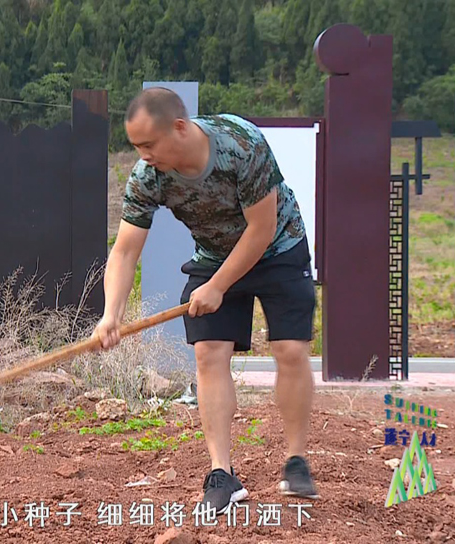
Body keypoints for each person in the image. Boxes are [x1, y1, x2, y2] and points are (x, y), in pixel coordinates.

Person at [91, 87, 319, 515]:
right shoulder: (148, 176)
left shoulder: (241, 144)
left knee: (290, 349)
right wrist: (111, 315)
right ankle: (222, 473)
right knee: (209, 352)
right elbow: (123, 251)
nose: (143, 155)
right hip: (213, 254)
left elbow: (261, 229)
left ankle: (296, 461)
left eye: (149, 144)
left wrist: (217, 286)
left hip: (278, 247)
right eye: (136, 146)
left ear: (179, 127)